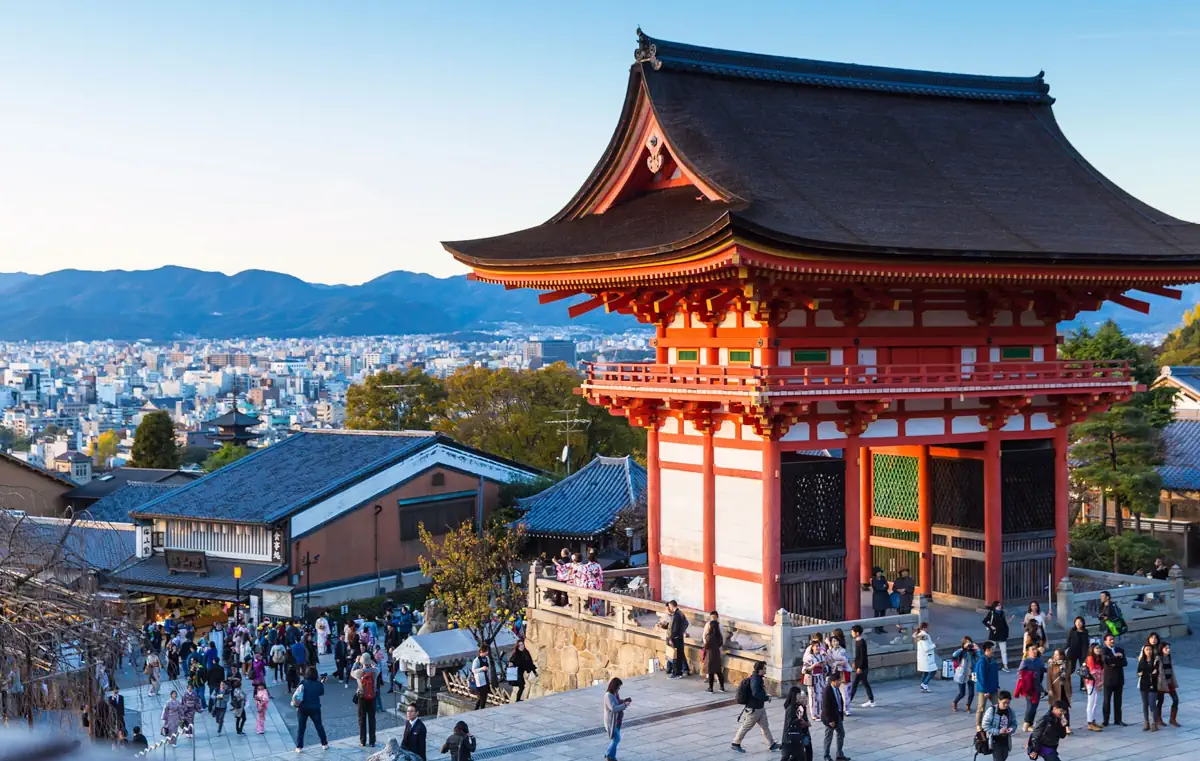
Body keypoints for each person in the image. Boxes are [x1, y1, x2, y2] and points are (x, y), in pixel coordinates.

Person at [731, 660, 778, 753]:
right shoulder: (756, 679)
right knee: (746, 726)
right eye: (764, 668)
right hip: (754, 708)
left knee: (765, 726)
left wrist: (765, 695)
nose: (765, 670)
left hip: (759, 707)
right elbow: (755, 692)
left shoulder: (758, 677)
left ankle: (771, 744)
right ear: (760, 670)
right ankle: (735, 743)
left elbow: (758, 691)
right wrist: (766, 698)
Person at [294, 666, 330, 752]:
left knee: (301, 728)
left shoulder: (303, 683)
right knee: (319, 726)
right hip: (315, 708)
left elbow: (298, 693)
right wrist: (321, 682)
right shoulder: (318, 684)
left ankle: (299, 747)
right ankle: (324, 744)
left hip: (303, 708)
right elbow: (321, 692)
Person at [351, 652, 379, 747]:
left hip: (362, 696)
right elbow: (377, 666)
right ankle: (372, 741)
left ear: (362, 661)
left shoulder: (359, 672)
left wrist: (356, 662)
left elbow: (351, 672)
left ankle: (363, 741)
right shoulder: (375, 671)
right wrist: (372, 662)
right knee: (372, 719)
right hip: (372, 696)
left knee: (362, 719)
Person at [1014, 645, 1045, 731]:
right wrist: (1029, 674)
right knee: (1030, 706)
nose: (1035, 651)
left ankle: (1030, 724)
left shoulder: (1039, 661)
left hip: (1037, 686)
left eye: (1035, 649)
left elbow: (1043, 670)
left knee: (1035, 706)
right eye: (1033, 649)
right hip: (1029, 687)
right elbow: (1019, 673)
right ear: (1028, 652)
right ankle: (1026, 722)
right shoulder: (1025, 661)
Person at [981, 690, 1017, 761]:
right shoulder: (992, 710)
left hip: (1005, 739)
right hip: (995, 740)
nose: (1006, 705)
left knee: (1004, 756)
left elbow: (1014, 724)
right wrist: (998, 731)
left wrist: (1011, 729)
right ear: (999, 701)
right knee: (998, 759)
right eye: (1004, 703)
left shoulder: (1010, 711)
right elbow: (985, 726)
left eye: (1008, 703)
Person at [821, 672, 849, 761]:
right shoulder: (827, 691)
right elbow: (826, 707)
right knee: (828, 736)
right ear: (833, 681)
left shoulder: (837, 689)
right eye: (838, 680)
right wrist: (830, 720)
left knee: (841, 733)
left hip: (838, 716)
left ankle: (839, 754)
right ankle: (826, 756)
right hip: (830, 718)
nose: (840, 682)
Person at [780, 687, 814, 761]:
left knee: (807, 750)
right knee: (792, 755)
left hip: (803, 734)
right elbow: (791, 722)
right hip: (794, 736)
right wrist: (800, 720)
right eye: (799, 695)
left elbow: (806, 720)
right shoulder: (792, 708)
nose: (803, 698)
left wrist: (806, 723)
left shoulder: (801, 707)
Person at [1101, 632, 1127, 727]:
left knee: (1118, 700)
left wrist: (1115, 662)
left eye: (1113, 639)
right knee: (1107, 700)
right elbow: (1106, 661)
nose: (1112, 641)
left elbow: (1124, 662)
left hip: (1119, 678)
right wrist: (1116, 657)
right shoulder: (1104, 650)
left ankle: (1118, 719)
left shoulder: (1120, 649)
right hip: (1109, 679)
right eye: (1110, 639)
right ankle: (1106, 720)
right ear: (1105, 641)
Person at [974, 641, 1001, 731]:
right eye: (992, 650)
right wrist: (986, 691)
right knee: (981, 707)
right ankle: (978, 725)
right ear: (987, 650)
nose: (993, 651)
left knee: (997, 706)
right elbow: (981, 678)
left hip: (993, 688)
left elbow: (995, 674)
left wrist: (997, 686)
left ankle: (995, 722)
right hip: (984, 689)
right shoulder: (982, 662)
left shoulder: (993, 661)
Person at [602, 678, 630, 761]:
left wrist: (624, 701)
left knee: (616, 739)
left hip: (617, 721)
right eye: (618, 687)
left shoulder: (615, 694)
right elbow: (613, 708)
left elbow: (617, 702)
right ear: (614, 686)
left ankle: (611, 757)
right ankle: (608, 755)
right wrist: (624, 705)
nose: (619, 689)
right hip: (611, 722)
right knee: (617, 738)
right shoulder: (608, 696)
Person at [801, 635, 827, 721]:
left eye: (819, 646)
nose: (818, 648)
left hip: (821, 678)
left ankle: (821, 712)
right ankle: (814, 714)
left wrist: (823, 666)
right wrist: (814, 665)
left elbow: (826, 669)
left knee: (821, 696)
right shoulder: (809, 657)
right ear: (812, 647)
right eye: (816, 646)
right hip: (813, 679)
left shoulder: (821, 656)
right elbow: (804, 670)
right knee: (813, 697)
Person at [983, 602, 1014, 671]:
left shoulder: (1002, 613)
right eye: (998, 606)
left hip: (1002, 633)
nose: (999, 607)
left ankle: (1005, 666)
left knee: (1004, 651)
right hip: (994, 633)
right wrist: (991, 627)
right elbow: (984, 621)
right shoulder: (991, 613)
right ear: (994, 607)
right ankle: (989, 664)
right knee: (991, 650)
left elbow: (1005, 622)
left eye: (1000, 605)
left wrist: (1010, 620)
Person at [1135, 643, 1160, 731]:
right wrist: (1141, 674)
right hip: (1143, 684)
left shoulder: (1155, 660)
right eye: (1147, 650)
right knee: (1145, 704)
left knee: (1152, 704)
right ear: (1144, 651)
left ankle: (1154, 723)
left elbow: (1156, 672)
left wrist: (1147, 673)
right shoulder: (1142, 660)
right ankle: (1146, 722)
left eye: (1150, 649)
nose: (1149, 651)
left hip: (1152, 685)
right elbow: (1138, 672)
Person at [1081, 644, 1105, 731]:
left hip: (1098, 682)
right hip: (1091, 682)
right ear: (1092, 649)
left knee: (1095, 702)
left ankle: (1093, 720)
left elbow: (1102, 671)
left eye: (1099, 648)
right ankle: (1089, 722)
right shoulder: (1090, 658)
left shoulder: (1100, 658)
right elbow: (1092, 671)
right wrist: (1098, 682)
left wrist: (1101, 682)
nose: (1098, 650)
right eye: (1096, 648)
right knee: (1090, 702)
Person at [1156, 640, 1180, 728]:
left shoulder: (1169, 657)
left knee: (1176, 700)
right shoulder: (1158, 658)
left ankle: (1172, 719)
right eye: (1166, 648)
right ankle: (1158, 719)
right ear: (1161, 649)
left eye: (1169, 648)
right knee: (1160, 701)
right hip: (1161, 684)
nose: (1168, 650)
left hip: (1170, 683)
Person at [848, 625, 874, 708]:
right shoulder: (857, 641)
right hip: (859, 666)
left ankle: (848, 701)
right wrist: (855, 663)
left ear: (857, 633)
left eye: (853, 632)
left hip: (862, 668)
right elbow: (858, 655)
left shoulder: (862, 642)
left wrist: (860, 667)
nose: (851, 633)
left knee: (855, 684)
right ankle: (871, 700)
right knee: (865, 683)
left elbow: (863, 656)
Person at [1046, 649, 1072, 729]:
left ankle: (1067, 726)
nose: (1056, 656)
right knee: (1053, 707)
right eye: (1055, 655)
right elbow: (1049, 677)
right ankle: (1050, 723)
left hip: (1064, 688)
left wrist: (1062, 667)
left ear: (1062, 656)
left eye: (1058, 655)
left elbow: (1067, 676)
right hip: (1055, 689)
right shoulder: (1051, 664)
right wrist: (1049, 689)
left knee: (1065, 708)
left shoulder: (1067, 664)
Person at [951, 636, 978, 713]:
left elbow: (980, 656)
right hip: (963, 673)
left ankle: (968, 706)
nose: (968, 644)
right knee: (962, 693)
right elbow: (954, 655)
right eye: (966, 642)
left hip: (972, 673)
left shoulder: (973, 652)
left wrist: (976, 648)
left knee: (972, 693)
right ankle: (955, 702)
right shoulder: (962, 652)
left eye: (969, 642)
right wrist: (963, 648)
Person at [703, 611, 725, 693]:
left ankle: (710, 688)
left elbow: (706, 645)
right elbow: (720, 643)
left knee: (711, 671)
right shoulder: (719, 635)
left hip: (710, 654)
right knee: (719, 671)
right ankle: (722, 687)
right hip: (717, 654)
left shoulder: (709, 636)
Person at [666, 600, 688, 679]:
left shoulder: (676, 615)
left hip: (676, 638)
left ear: (671, 606)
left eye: (669, 606)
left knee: (675, 656)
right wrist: (681, 631)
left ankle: (676, 673)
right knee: (679, 655)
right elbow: (686, 623)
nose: (669, 608)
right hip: (680, 637)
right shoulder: (680, 613)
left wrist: (671, 638)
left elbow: (674, 628)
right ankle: (679, 673)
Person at [913, 622, 937, 693]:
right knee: (933, 670)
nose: (928, 629)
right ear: (924, 628)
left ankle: (923, 687)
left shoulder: (918, 634)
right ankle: (924, 684)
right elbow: (926, 648)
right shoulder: (925, 635)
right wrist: (933, 645)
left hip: (921, 656)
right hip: (927, 657)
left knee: (926, 671)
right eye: (927, 627)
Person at [869, 568, 890, 633]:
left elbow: (887, 586)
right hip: (877, 598)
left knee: (883, 613)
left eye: (880, 572)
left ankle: (881, 627)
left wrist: (883, 587)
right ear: (875, 573)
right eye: (878, 572)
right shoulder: (873, 580)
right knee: (877, 614)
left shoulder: (883, 578)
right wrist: (883, 587)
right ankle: (876, 628)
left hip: (884, 597)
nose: (879, 573)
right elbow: (876, 588)